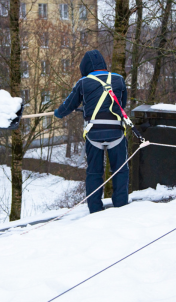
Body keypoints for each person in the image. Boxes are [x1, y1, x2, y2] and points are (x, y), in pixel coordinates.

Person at [54, 50, 129, 213]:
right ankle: (121, 206)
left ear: (85, 68)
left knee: (94, 172)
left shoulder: (83, 82)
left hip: (94, 134)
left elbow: (68, 106)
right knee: (120, 170)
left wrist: (57, 113)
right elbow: (121, 105)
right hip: (116, 132)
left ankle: (95, 208)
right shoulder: (119, 80)